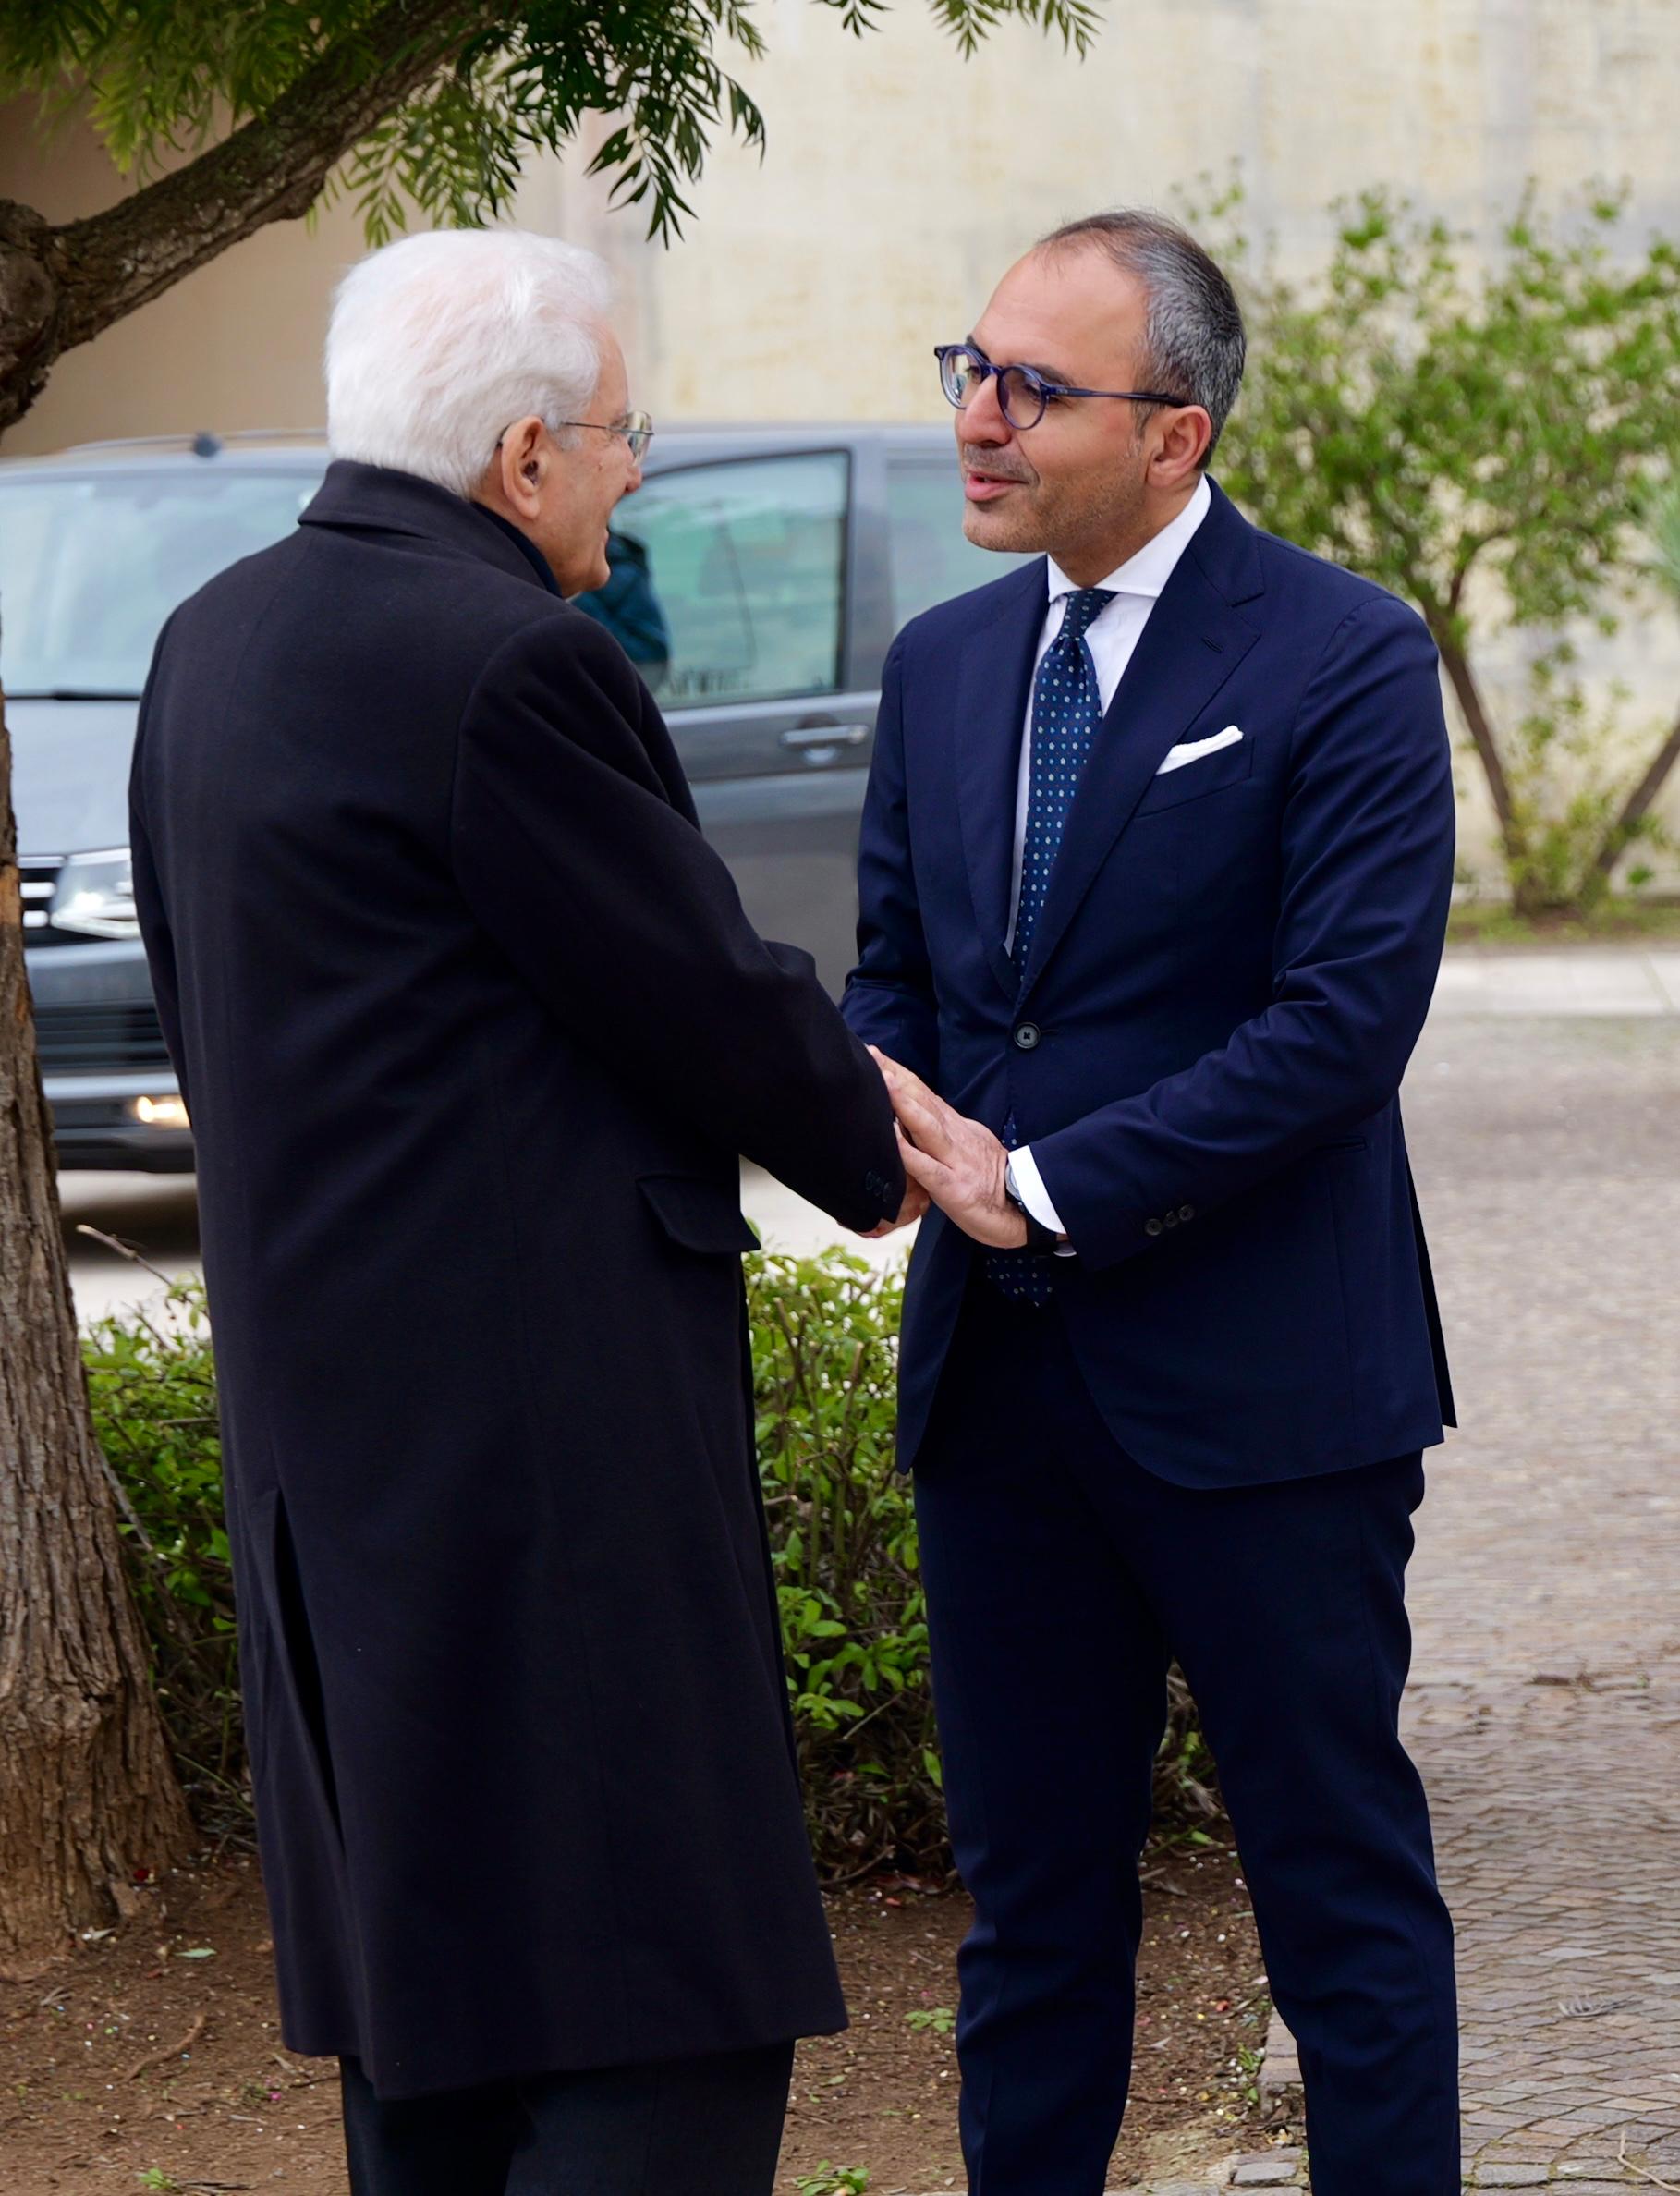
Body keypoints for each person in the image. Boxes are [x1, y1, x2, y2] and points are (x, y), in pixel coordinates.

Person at [128, 226, 905, 2196]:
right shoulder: (505, 662)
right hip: (543, 1473)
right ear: (526, 457)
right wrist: (898, 1145)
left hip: (333, 1464)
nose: (641, 475)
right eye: (626, 436)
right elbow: (697, 989)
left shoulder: (210, 637)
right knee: (661, 2024)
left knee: (431, 2023)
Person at [845, 210, 1460, 2196]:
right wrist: (874, 1115)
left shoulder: (1344, 651)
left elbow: (1339, 1026)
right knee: (1031, 1931)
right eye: (973, 369)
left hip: (1269, 1401)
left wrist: (1040, 1183)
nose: (979, 420)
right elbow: (899, 983)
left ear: (1176, 434)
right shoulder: (941, 666)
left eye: (1034, 388)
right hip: (1000, 1411)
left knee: (1340, 1915)